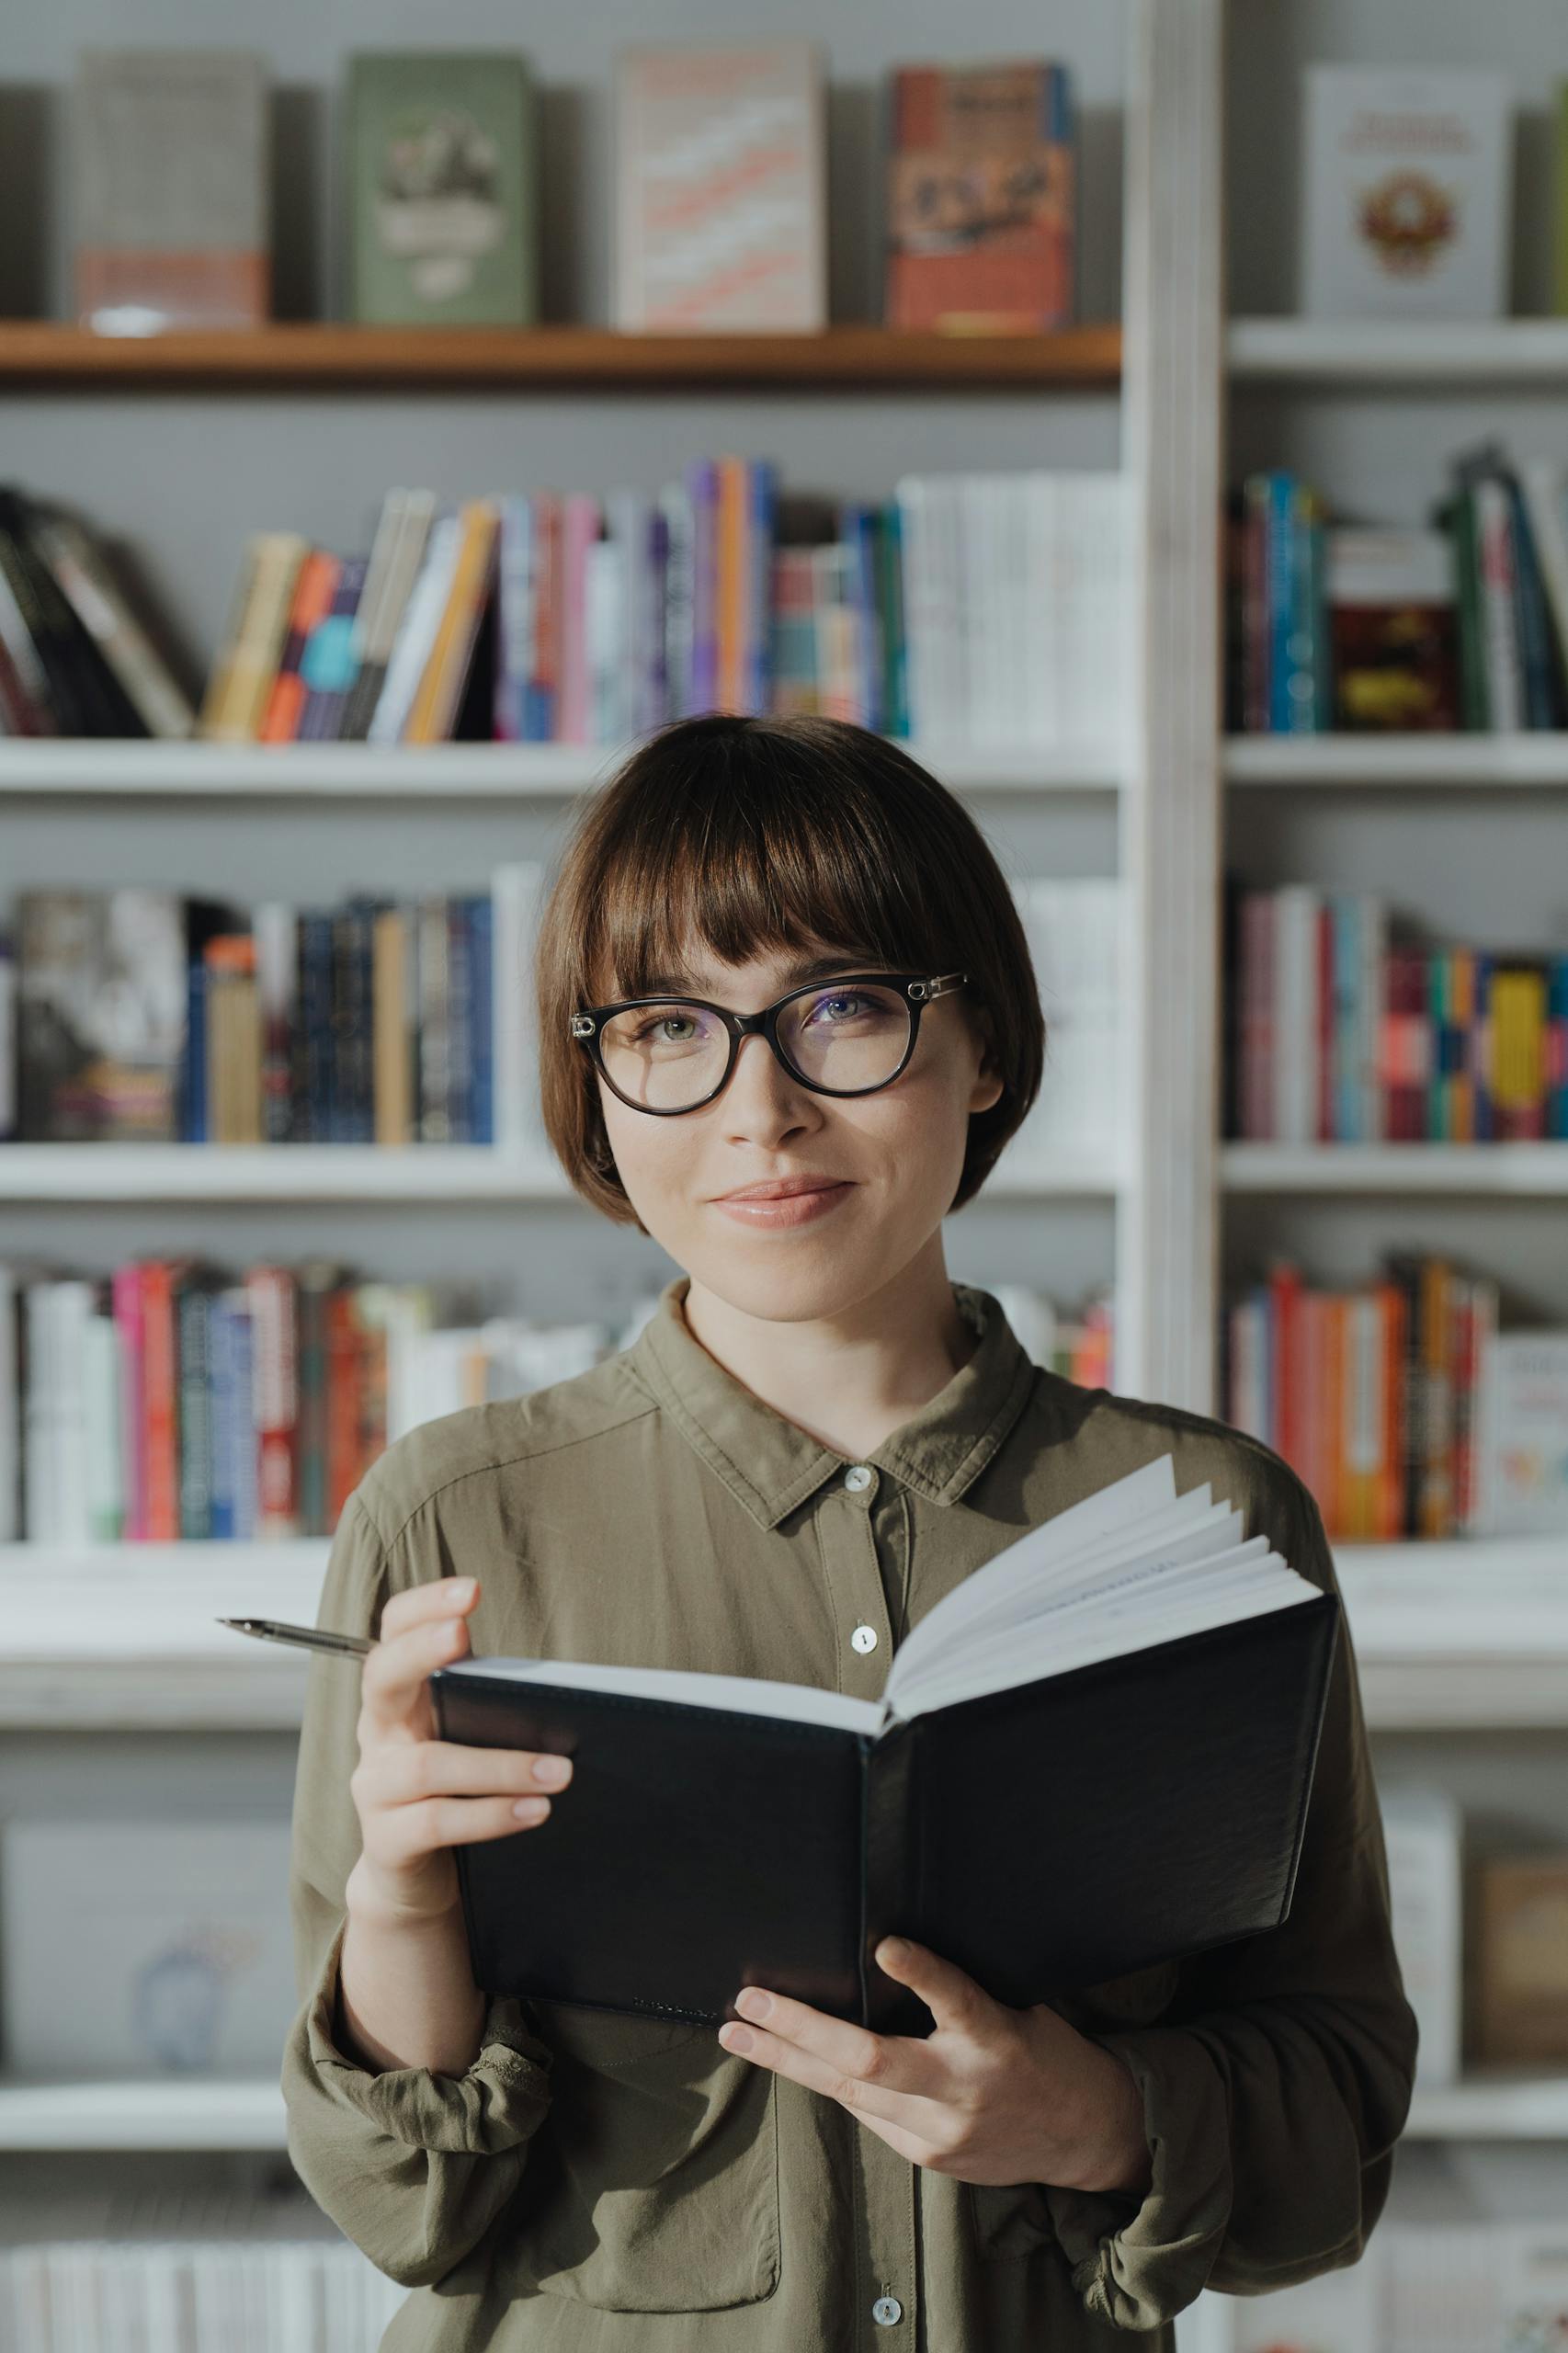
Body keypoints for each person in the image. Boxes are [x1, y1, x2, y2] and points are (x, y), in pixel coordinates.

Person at [282, 711, 1417, 2351]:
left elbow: (1332, 2120)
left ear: (987, 1050)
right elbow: (401, 2208)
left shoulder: (1210, 1526)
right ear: (596, 1089)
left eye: (841, 1010)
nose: (762, 1109)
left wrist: (1094, 2119)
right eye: (671, 1027)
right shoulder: (453, 1518)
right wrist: (396, 1909)